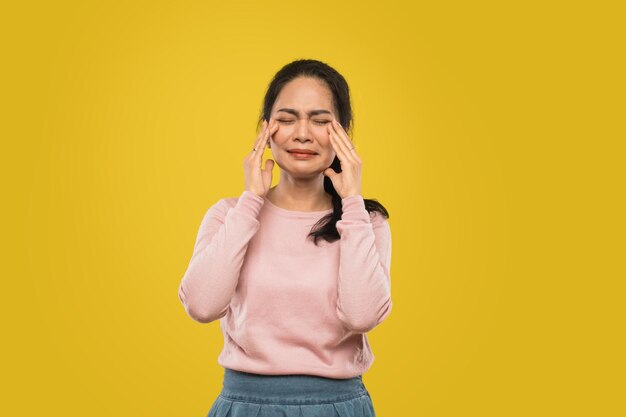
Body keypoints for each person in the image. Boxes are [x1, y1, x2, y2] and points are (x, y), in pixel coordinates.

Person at [178, 59, 392, 417]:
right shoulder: (229, 214)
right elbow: (201, 306)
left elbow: (361, 315)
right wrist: (250, 202)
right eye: (288, 119)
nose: (303, 134)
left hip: (337, 408)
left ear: (343, 133)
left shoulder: (365, 221)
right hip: (245, 405)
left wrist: (352, 202)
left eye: (321, 121)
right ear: (266, 129)